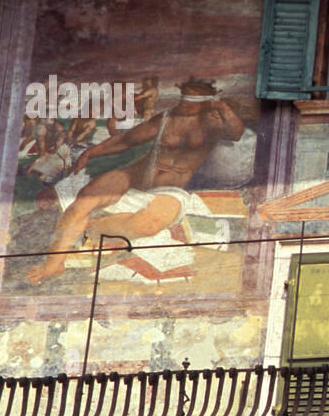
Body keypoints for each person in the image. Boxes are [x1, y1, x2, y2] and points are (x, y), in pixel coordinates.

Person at [24, 78, 244, 284]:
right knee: (85, 199)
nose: (185, 103)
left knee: (147, 225)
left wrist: (222, 106)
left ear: (206, 101)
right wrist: (90, 153)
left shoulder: (211, 123)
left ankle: (90, 230)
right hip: (133, 176)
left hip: (170, 189)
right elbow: (127, 140)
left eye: (192, 99)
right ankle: (54, 264)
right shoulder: (166, 118)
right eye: (184, 97)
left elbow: (236, 133)